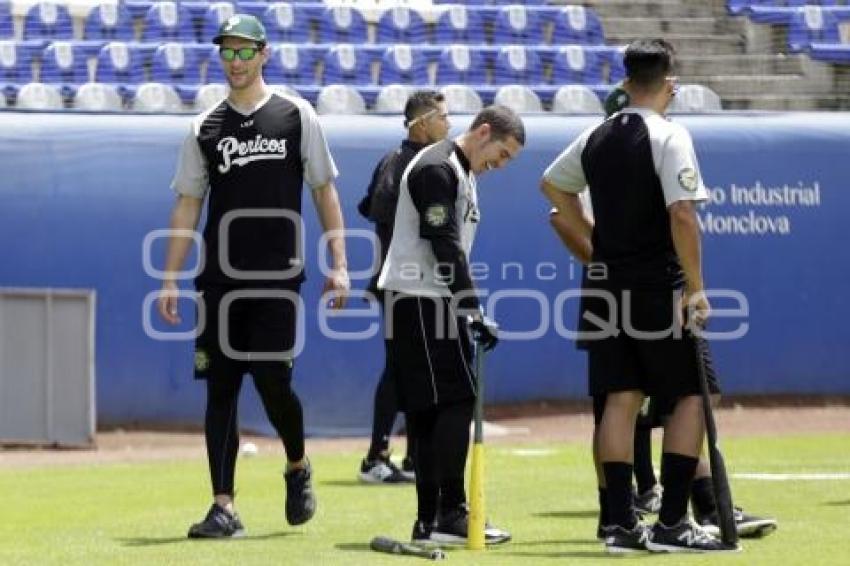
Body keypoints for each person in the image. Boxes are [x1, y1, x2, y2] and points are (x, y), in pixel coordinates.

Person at [157, 14, 349, 538]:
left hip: (278, 280)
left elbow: (324, 190)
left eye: (246, 52)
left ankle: (297, 464)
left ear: (265, 54)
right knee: (220, 390)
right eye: (228, 52)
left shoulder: (295, 115)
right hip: (219, 281)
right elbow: (187, 205)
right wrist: (170, 278)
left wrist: (341, 264)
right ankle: (224, 506)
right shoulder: (204, 128)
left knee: (272, 382)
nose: (236, 61)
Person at [542, 38, 733, 553]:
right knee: (694, 394)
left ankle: (621, 525)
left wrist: (597, 242)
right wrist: (695, 288)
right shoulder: (670, 135)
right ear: (671, 84)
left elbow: (554, 190)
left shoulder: (595, 135)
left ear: (626, 83)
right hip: (656, 284)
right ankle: (673, 521)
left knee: (620, 401)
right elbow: (682, 215)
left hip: (606, 286)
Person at [378, 105, 523, 545]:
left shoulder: (462, 172)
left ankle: (429, 522)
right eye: (501, 154)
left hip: (430, 297)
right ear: (482, 132)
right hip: (420, 297)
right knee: (456, 400)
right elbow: (445, 246)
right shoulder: (437, 169)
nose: (500, 165)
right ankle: (451, 514)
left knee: (428, 411)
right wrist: (472, 309)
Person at [357, 90, 451, 484]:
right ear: (423, 122)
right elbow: (378, 209)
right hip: (402, 282)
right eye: (443, 116)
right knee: (400, 367)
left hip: (423, 282)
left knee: (420, 370)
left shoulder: (425, 162)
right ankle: (376, 457)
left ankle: (415, 455)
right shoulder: (401, 162)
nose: (449, 123)